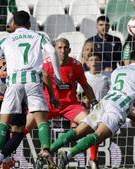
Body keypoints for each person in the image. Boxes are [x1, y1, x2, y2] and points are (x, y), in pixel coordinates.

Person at [51, 50, 135, 169]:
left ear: (130, 60)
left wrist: (131, 115)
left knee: (78, 131)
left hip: (104, 103)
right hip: (117, 108)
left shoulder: (118, 70)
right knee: (98, 135)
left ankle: (47, 151)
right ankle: (69, 153)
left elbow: (120, 92)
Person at [0, 10, 62, 169]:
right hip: (33, 80)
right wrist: (58, 76)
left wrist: (0, 84)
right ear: (29, 24)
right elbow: (53, 52)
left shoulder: (5, 40)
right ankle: (46, 151)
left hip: (13, 82)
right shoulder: (39, 36)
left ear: (13, 24)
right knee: (41, 119)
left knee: (3, 122)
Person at [25, 38, 100, 168]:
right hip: (48, 104)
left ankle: (93, 160)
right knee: (23, 127)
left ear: (70, 50)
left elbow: (85, 85)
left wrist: (93, 101)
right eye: (59, 48)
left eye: (65, 48)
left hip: (69, 105)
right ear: (54, 50)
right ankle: (4, 157)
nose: (62, 50)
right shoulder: (46, 65)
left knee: (93, 124)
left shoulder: (76, 65)